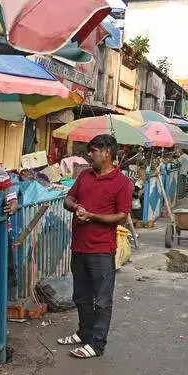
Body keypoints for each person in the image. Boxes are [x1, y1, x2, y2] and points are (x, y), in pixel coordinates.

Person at [58, 135, 132, 359]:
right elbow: (67, 200)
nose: (89, 155)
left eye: (93, 151)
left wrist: (92, 216)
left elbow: (121, 216)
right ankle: (83, 333)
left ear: (106, 153)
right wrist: (77, 208)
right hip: (79, 246)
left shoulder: (121, 182)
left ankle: (97, 344)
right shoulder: (84, 176)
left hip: (101, 249)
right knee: (81, 295)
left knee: (102, 300)